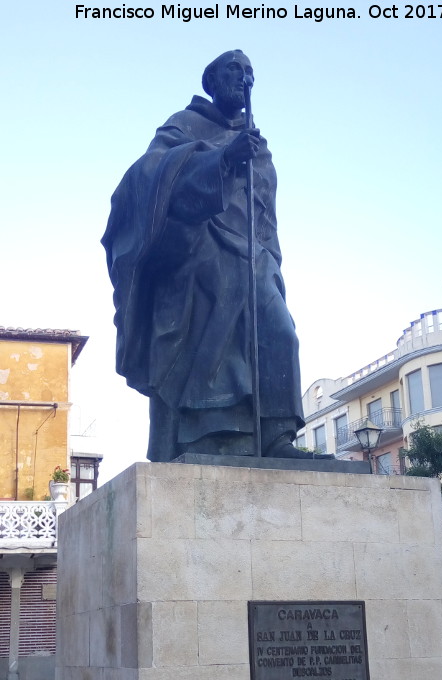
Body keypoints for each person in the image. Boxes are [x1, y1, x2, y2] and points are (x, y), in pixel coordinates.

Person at [103, 50, 325, 462]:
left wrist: (271, 257)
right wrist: (221, 158)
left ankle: (277, 436)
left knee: (280, 331)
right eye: (234, 69)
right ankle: (206, 434)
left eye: (249, 72)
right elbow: (147, 174)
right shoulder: (185, 125)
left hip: (254, 252)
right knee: (219, 333)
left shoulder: (258, 142)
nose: (244, 78)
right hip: (201, 246)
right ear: (212, 80)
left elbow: (264, 209)